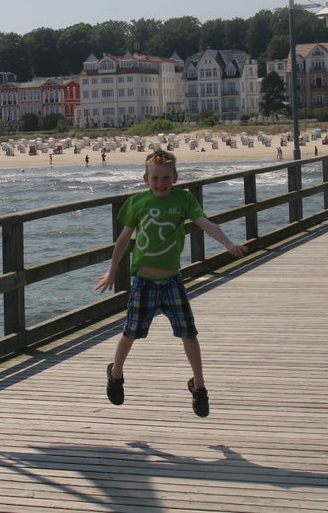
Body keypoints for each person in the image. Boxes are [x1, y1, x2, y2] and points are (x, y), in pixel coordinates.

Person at [95, 149, 247, 417]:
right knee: (130, 332)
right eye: (155, 178)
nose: (161, 183)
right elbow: (122, 240)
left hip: (172, 280)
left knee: (189, 333)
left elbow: (204, 223)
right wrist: (111, 271)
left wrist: (228, 243)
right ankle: (116, 373)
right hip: (144, 281)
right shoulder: (137, 203)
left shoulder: (184, 200)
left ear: (175, 177)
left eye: (166, 178)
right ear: (146, 179)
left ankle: (199, 386)